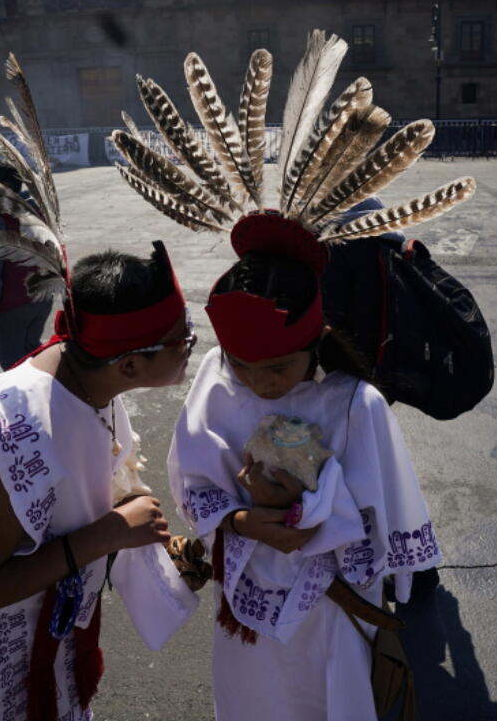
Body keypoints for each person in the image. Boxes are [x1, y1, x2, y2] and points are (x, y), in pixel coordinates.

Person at [0, 243, 201, 721]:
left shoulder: (87, 373)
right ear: (130, 366)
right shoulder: (13, 429)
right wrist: (107, 534)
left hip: (44, 604)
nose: (190, 346)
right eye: (184, 340)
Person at [167, 219, 441, 721]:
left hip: (329, 608)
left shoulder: (356, 403)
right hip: (244, 605)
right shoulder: (215, 379)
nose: (258, 383)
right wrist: (239, 520)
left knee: (326, 698)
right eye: (241, 364)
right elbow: (191, 478)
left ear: (317, 340)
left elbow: (386, 519)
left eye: (278, 368)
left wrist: (314, 511)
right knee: (251, 701)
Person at [0, 161, 55, 370]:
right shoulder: (36, 207)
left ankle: (30, 401)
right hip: (42, 299)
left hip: (13, 305)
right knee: (34, 356)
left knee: (13, 365)